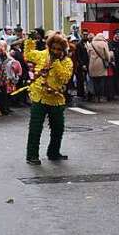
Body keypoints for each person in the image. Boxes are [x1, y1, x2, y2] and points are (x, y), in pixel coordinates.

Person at [24, 32, 73, 165]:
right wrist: (29, 41)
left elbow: (65, 78)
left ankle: (53, 153)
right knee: (35, 127)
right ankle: (32, 155)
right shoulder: (42, 55)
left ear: (63, 50)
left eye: (59, 49)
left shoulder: (67, 62)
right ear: (49, 46)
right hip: (39, 97)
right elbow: (28, 55)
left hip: (56, 99)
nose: (55, 51)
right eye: (53, 48)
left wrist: (56, 63)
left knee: (58, 128)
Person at [87, 32, 113, 103]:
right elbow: (107, 55)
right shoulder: (104, 43)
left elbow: (88, 54)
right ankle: (101, 97)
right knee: (101, 81)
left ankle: (95, 97)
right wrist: (108, 60)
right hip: (101, 64)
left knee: (94, 81)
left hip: (92, 64)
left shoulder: (91, 44)